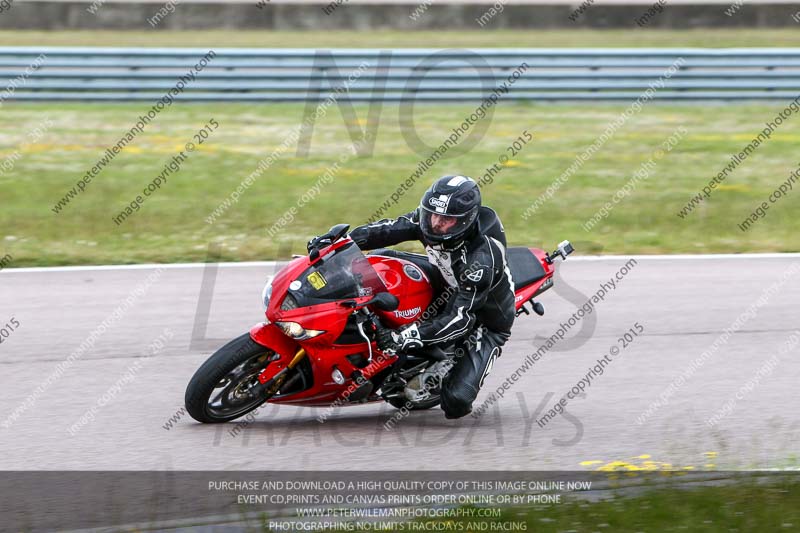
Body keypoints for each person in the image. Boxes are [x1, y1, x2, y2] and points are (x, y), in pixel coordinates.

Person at [348, 175, 516, 419]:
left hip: (481, 317)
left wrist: (405, 336)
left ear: (465, 221)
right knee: (380, 258)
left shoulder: (480, 260)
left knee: (456, 403)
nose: (435, 223)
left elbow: (460, 319)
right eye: (432, 214)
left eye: (446, 219)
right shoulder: (430, 219)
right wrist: (341, 241)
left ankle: (447, 365)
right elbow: (387, 229)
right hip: (445, 277)